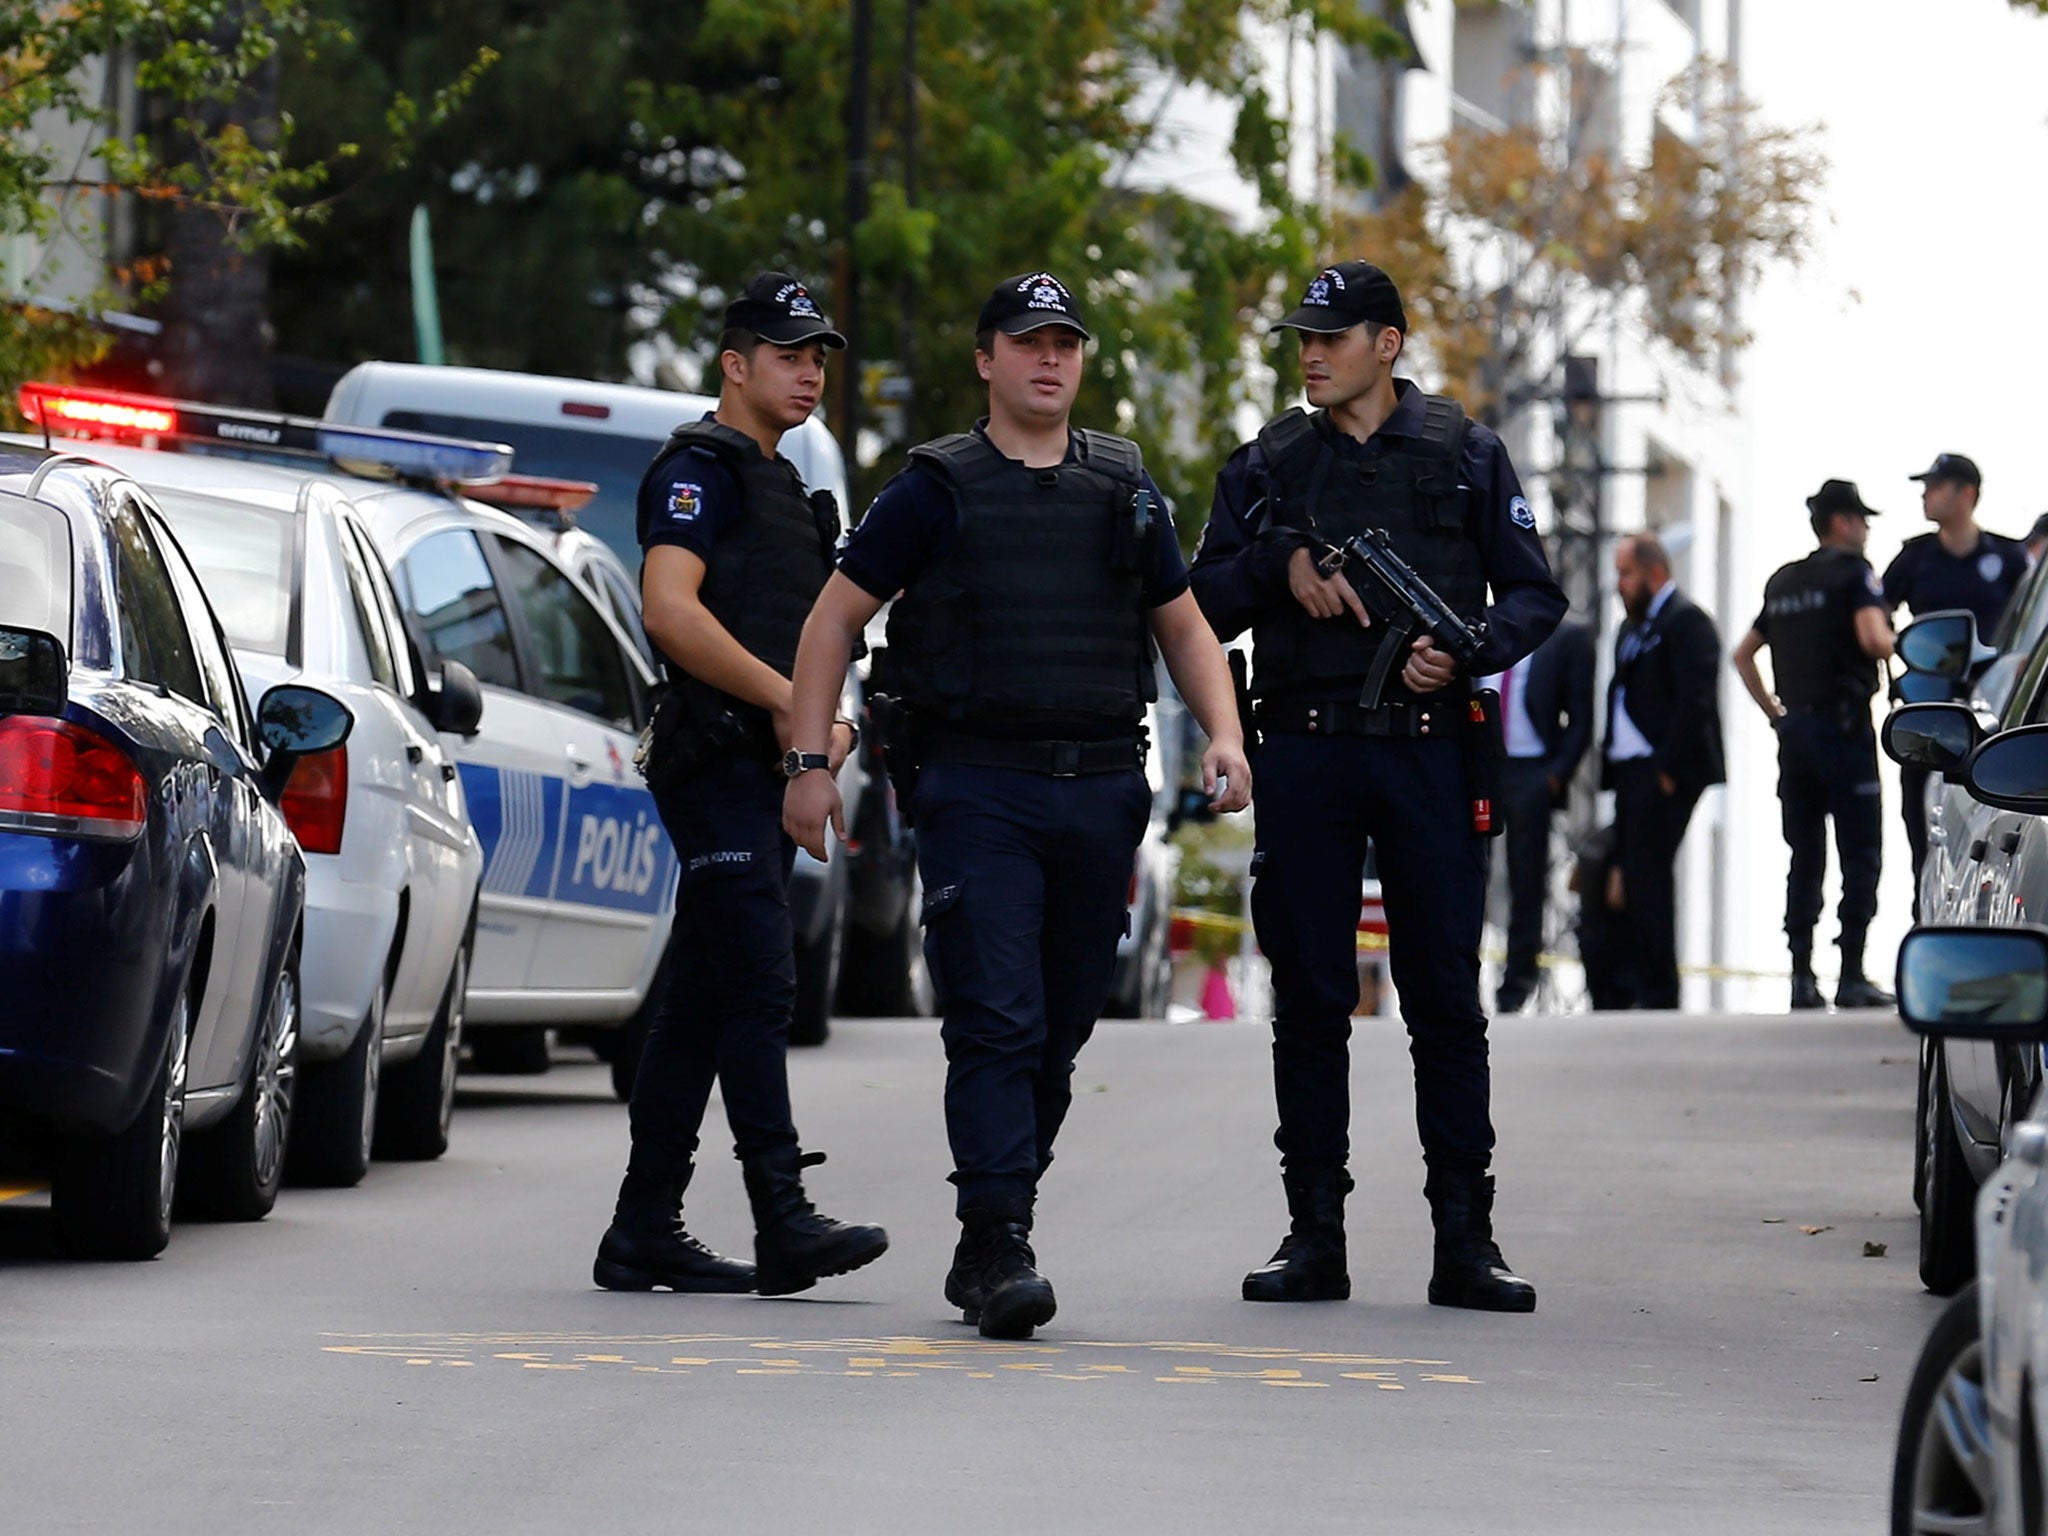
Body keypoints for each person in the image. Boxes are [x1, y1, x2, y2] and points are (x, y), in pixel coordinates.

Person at [783, 271, 1252, 1339]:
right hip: (975, 787)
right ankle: (996, 1242)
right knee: (994, 1018)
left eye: (1065, 344)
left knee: (1056, 1027)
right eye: (1026, 342)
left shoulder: (1123, 489)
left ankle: (997, 1219)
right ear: (985, 359)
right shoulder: (933, 490)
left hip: (1096, 787)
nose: (1049, 360)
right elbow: (831, 622)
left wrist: (1222, 733)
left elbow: (1181, 626)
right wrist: (809, 763)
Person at [1189, 259, 1564, 1314]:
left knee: (1443, 997)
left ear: (1385, 344)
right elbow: (1197, 608)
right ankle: (1313, 1235)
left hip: (1426, 750)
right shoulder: (1265, 467)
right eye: (1303, 337)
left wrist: (1470, 649)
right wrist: (1274, 567)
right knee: (1308, 994)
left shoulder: (1464, 455)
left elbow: (1537, 596)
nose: (1310, 353)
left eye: (1332, 336)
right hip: (1305, 748)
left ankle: (1464, 1238)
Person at [592, 272, 888, 1297]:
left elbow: (816, 634)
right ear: (734, 363)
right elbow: (669, 611)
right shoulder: (697, 471)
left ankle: (642, 1228)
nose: (810, 372)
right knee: (760, 978)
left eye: (819, 357)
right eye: (788, 353)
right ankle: (782, 1216)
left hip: (769, 764)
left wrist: (827, 721)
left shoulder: (794, 491)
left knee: (702, 997)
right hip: (715, 759)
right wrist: (787, 704)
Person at [1732, 479, 1897, 1011]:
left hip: (1795, 734)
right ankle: (1850, 974)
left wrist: (1774, 713)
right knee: (1861, 851)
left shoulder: (1784, 582)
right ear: (1842, 522)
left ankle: (1801, 976)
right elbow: (1873, 638)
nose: (1868, 529)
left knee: (1804, 854)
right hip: (1845, 731)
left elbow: (1743, 653)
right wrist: (1905, 645)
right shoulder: (1854, 575)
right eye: (1862, 520)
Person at [1881, 453, 2025, 913]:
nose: (1925, 494)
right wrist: (1905, 658)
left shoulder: (2006, 557)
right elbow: (1876, 622)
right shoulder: (1914, 557)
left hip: (1996, 719)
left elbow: (2027, 639)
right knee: (1926, 842)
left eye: (1935, 485)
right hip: (1931, 719)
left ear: (1967, 494)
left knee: (1998, 836)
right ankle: (1928, 921)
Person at [1599, 532, 1725, 1011]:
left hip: (1666, 771)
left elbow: (1696, 701)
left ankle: (1659, 991)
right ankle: (1635, 983)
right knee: (1633, 875)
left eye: (1626, 573)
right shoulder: (1630, 630)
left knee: (1650, 874)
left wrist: (1669, 770)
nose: (1619, 584)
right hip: (1631, 770)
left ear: (1654, 573)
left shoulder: (1687, 622)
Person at [1483, 615, 1595, 1014]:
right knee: (1465, 873)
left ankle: (1515, 985)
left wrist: (1555, 776)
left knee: (1525, 880)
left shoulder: (1566, 636)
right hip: (1483, 764)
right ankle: (1459, 977)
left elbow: (1581, 717)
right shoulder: (1479, 625)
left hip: (1532, 769)